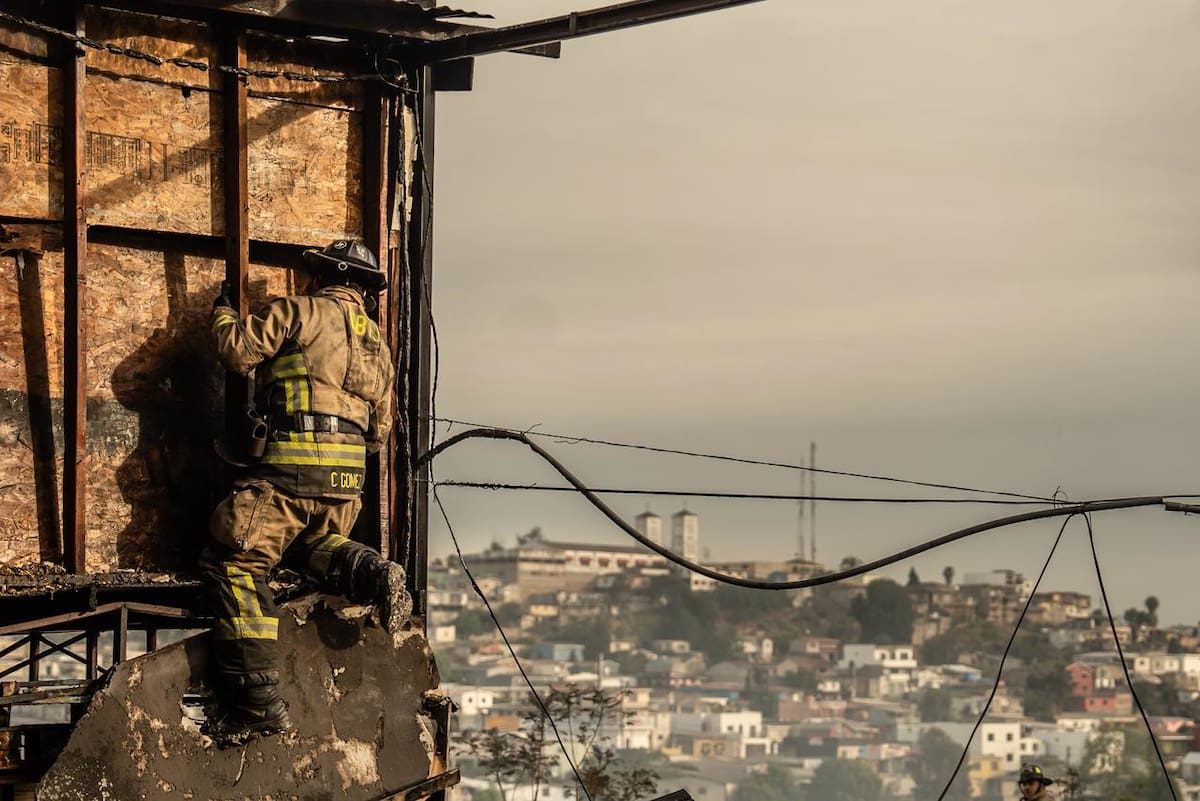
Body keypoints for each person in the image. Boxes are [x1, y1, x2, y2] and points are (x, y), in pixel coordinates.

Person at [199, 239, 411, 748]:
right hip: (346, 484)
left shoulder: (298, 311)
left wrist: (223, 311)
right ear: (364, 291)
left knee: (236, 563)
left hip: (290, 474)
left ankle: (256, 705)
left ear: (322, 278)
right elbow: (379, 435)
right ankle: (373, 571)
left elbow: (234, 351)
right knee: (313, 547)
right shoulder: (379, 347)